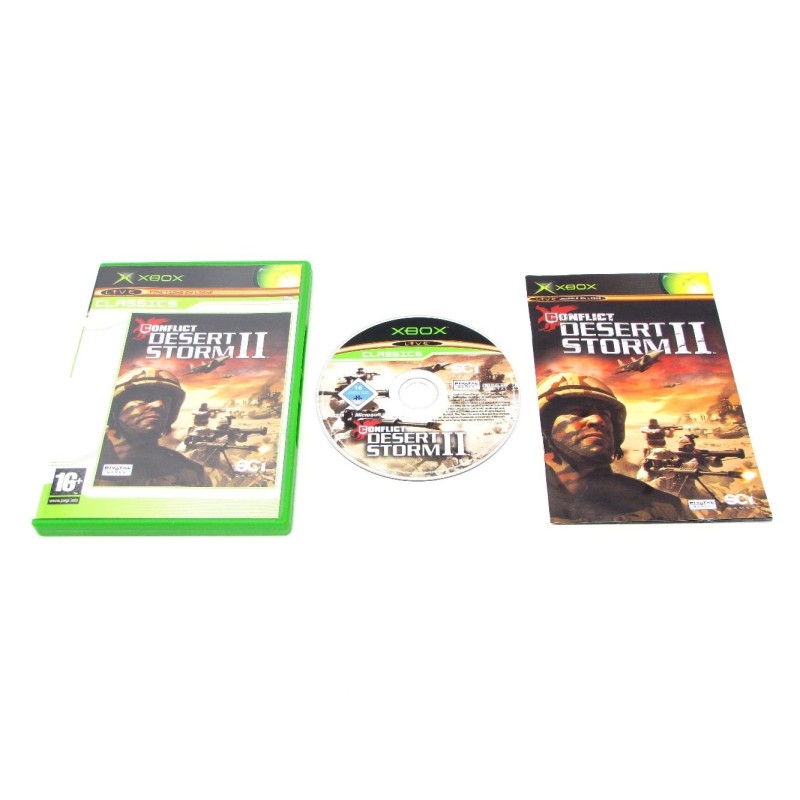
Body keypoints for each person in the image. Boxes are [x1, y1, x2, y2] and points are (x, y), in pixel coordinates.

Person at [537, 372, 695, 522]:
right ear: (544, 426)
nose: (598, 420)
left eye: (605, 414)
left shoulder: (663, 506)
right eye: (579, 412)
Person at [95, 367, 212, 487]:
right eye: (145, 397)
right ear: (116, 406)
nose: (159, 405)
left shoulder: (190, 473)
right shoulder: (88, 454)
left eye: (166, 400)